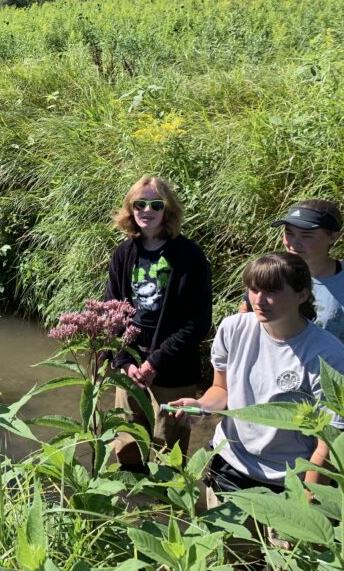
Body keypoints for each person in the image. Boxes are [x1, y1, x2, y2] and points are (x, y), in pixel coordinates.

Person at [169, 252, 344, 499]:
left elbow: (330, 440)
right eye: (253, 289)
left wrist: (308, 500)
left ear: (302, 295)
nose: (259, 300)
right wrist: (201, 405)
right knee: (223, 539)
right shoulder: (233, 328)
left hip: (289, 481)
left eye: (272, 291)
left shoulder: (328, 354)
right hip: (229, 466)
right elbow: (222, 390)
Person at [104, 176, 212, 472]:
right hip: (131, 364)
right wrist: (125, 360)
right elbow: (111, 310)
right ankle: (131, 507)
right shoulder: (124, 253)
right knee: (126, 441)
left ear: (168, 210)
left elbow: (197, 321)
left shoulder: (190, 255)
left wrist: (154, 363)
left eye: (155, 204)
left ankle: (168, 511)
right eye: (140, 204)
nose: (146, 210)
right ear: (130, 208)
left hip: (175, 365)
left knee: (170, 448)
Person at [239, 200, 344, 341]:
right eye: (289, 233)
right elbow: (245, 313)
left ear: (332, 237)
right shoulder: (273, 271)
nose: (293, 243)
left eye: (306, 235)